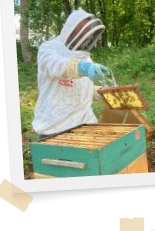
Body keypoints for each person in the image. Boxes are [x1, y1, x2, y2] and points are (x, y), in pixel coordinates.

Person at [32, 9, 110, 137]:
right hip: (54, 127)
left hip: (83, 124)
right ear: (69, 27)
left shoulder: (85, 58)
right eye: (79, 28)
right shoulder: (49, 48)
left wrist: (98, 91)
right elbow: (56, 66)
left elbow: (81, 87)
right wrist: (82, 68)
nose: (83, 33)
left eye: (86, 30)